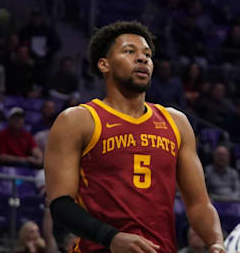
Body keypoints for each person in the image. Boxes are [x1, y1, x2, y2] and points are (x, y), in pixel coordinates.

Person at [44, 21, 223, 253]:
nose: (142, 59)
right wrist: (111, 238)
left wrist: (216, 242)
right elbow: (60, 206)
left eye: (147, 54)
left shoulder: (176, 123)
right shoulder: (78, 120)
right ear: (104, 64)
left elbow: (199, 204)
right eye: (130, 51)